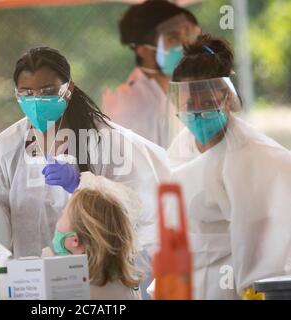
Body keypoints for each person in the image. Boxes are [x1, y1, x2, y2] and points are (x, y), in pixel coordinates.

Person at [0, 47, 170, 261]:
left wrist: (83, 187)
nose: (37, 101)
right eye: (27, 93)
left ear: (69, 89)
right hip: (30, 281)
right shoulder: (6, 147)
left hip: (96, 279)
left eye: (47, 92)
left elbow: (139, 212)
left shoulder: (105, 140)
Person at [165, 33, 291, 299]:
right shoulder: (182, 144)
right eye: (190, 104)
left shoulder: (251, 157)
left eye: (208, 103)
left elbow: (256, 243)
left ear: (227, 100)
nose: (197, 112)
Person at [102, 0, 200, 148]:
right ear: (143, 49)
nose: (186, 45)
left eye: (189, 35)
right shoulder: (130, 106)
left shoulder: (182, 93)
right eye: (173, 38)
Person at [52, 172, 144, 300]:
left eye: (63, 214)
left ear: (75, 240)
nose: (60, 216)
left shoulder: (75, 290)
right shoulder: (126, 283)